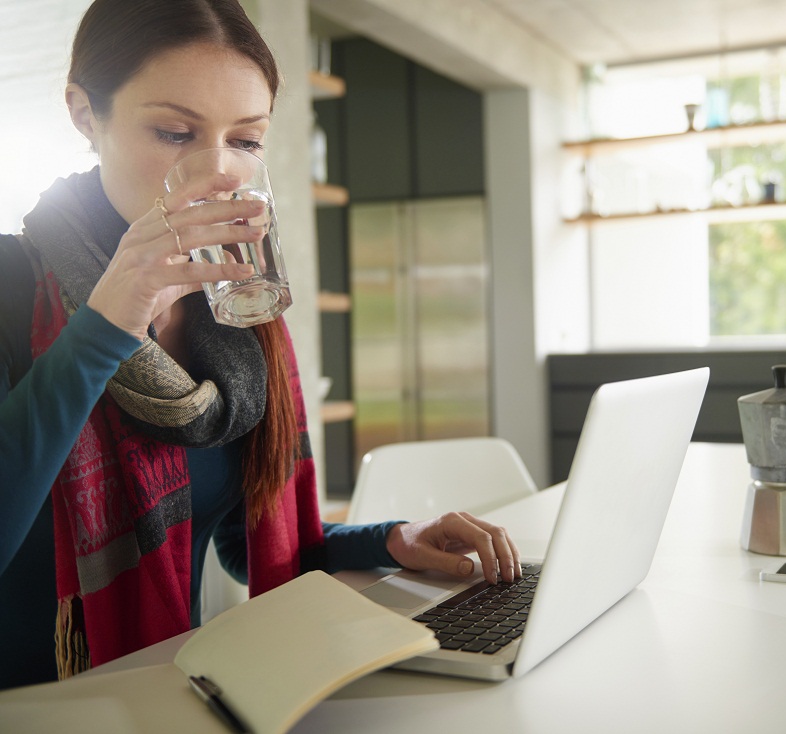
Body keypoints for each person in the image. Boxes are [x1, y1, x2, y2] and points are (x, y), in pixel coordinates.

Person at [0, 0, 521, 690]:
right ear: (85, 115)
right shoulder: (13, 285)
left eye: (245, 141)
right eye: (175, 131)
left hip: (169, 693)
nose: (218, 174)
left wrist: (391, 539)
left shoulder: (234, 313)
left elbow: (248, 549)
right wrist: (103, 328)